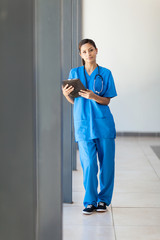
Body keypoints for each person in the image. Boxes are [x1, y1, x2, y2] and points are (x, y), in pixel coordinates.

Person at [62, 39, 117, 215]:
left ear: (96, 50)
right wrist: (66, 95)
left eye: (91, 50)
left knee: (107, 164)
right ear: (80, 55)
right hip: (83, 124)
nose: (88, 54)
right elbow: (75, 101)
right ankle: (90, 201)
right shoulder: (75, 73)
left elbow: (107, 99)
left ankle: (103, 200)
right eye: (84, 52)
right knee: (89, 164)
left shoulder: (106, 73)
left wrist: (93, 96)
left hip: (103, 124)